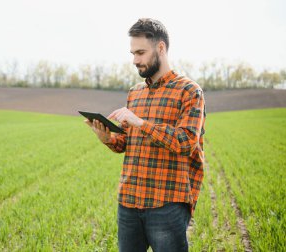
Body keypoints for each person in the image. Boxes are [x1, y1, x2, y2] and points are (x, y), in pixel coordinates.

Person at [85, 18, 206, 252]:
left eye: (140, 52)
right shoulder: (134, 94)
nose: (135, 60)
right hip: (129, 202)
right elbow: (127, 143)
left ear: (161, 48)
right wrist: (108, 139)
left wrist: (141, 123)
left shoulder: (189, 91)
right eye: (132, 53)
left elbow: (186, 142)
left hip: (167, 204)